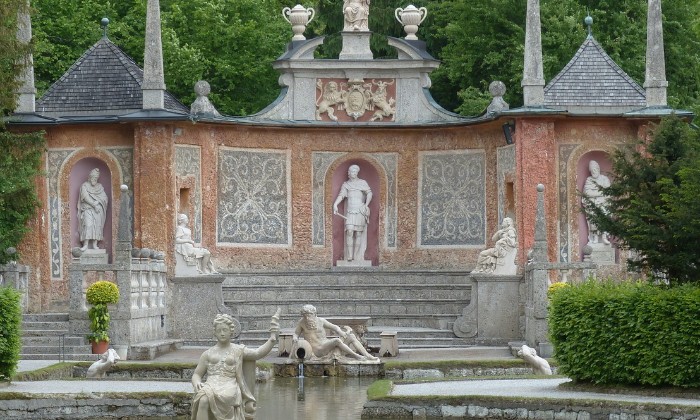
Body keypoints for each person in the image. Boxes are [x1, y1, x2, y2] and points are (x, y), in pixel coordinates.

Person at [191, 312, 278, 420]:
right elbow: (197, 374)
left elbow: (257, 353)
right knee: (203, 399)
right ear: (215, 333)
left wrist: (272, 340)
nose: (222, 333)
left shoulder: (238, 350)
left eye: (225, 330)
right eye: (219, 331)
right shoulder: (208, 353)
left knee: (220, 396)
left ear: (231, 331)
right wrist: (197, 382)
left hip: (229, 385)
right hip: (211, 384)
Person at [293, 304, 378, 361]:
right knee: (336, 341)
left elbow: (334, 327)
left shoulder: (321, 321)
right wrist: (295, 337)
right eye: (305, 316)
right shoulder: (302, 322)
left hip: (326, 344)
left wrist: (341, 332)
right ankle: (357, 356)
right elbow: (296, 333)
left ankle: (367, 355)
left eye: (309, 315)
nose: (307, 318)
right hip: (317, 350)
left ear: (314, 314)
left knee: (351, 336)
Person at [333, 164, 372, 262]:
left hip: (360, 210)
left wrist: (366, 205)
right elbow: (341, 195)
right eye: (350, 171)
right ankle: (349, 255)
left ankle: (356, 256)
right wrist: (335, 204)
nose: (352, 173)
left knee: (358, 233)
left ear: (357, 173)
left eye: (354, 171)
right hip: (350, 211)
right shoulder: (346, 184)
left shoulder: (362, 183)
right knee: (349, 231)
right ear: (348, 173)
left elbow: (369, 193)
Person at [78, 168, 108, 251]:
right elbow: (85, 197)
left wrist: (98, 204)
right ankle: (85, 244)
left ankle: (95, 244)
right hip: (88, 209)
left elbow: (104, 198)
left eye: (96, 178)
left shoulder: (100, 187)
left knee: (97, 226)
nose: (94, 180)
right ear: (89, 177)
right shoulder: (84, 185)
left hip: (98, 210)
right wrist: (94, 204)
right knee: (88, 225)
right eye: (93, 178)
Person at [583, 160, 611, 245]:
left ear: (598, 169)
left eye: (595, 169)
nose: (593, 172)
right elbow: (587, 193)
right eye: (592, 171)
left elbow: (608, 192)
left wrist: (596, 194)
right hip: (593, 204)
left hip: (603, 204)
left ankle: (604, 236)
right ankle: (595, 237)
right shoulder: (589, 180)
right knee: (593, 219)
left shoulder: (604, 179)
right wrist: (600, 193)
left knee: (604, 218)